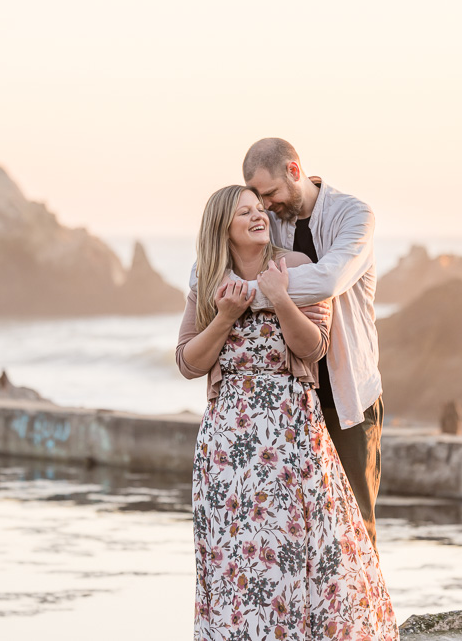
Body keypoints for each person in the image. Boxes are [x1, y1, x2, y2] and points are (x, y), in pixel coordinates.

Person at [177, 185, 398, 640]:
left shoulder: (295, 267)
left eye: (261, 208)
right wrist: (224, 315)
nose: (259, 216)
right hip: (228, 447)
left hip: (291, 430)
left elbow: (314, 346)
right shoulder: (208, 279)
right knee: (235, 553)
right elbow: (187, 362)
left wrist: (279, 297)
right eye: (245, 212)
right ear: (224, 226)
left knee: (306, 543)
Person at [239, 138, 385, 550]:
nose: (265, 205)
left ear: (295, 171)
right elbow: (214, 266)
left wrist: (248, 293)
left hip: (348, 395)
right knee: (296, 529)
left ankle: (368, 615)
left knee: (356, 523)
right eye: (257, 197)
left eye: (269, 193)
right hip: (290, 398)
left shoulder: (354, 215)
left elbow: (327, 281)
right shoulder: (271, 218)